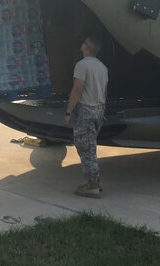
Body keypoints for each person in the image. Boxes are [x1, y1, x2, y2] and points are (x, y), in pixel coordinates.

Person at [64, 35, 108, 198]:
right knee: (90, 146)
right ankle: (95, 180)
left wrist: (69, 111)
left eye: (84, 43)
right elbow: (104, 91)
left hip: (86, 111)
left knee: (85, 148)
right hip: (99, 110)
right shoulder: (102, 67)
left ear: (87, 47)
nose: (81, 44)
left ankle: (92, 185)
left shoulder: (82, 66)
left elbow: (77, 89)